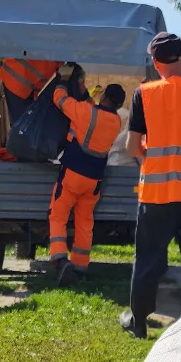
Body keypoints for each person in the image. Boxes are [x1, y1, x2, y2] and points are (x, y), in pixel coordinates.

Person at [119, 33, 181, 339]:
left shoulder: (144, 95)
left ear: (155, 62)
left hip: (159, 193)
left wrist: (154, 152)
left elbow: (132, 147)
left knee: (149, 257)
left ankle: (138, 321)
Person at [48, 62, 126, 285]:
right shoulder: (116, 122)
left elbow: (59, 99)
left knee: (58, 215)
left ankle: (60, 261)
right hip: (94, 182)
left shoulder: (85, 112)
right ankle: (80, 266)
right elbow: (95, 113)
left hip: (73, 175)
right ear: (119, 104)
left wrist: (63, 79)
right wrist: (84, 92)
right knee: (84, 222)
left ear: (104, 98)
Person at [0, 58, 62, 122]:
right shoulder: (54, 56)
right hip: (17, 81)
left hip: (18, 78)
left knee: (23, 123)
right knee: (22, 124)